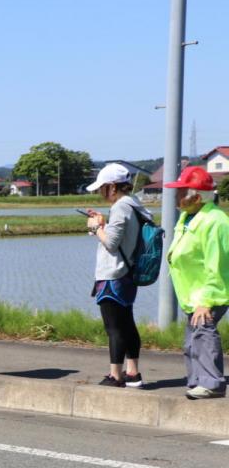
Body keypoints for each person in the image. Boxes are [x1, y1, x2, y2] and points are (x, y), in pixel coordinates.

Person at [163, 166, 229, 400]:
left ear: (197, 197)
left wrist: (206, 301)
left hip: (208, 293)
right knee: (193, 339)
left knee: (204, 334)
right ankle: (197, 380)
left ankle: (212, 383)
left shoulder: (216, 222)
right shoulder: (188, 217)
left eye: (181, 193)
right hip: (191, 293)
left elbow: (218, 265)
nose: (176, 197)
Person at [83, 162, 150, 388]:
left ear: (112, 187)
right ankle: (133, 373)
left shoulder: (121, 207)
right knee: (127, 324)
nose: (100, 192)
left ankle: (116, 375)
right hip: (128, 273)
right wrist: (104, 224)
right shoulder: (134, 205)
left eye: (102, 187)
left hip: (114, 274)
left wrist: (95, 227)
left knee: (114, 328)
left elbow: (111, 243)